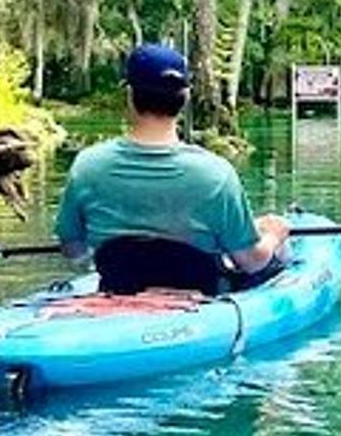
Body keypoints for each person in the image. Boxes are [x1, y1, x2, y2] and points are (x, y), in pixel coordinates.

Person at [55, 42, 291, 294]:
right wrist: (274, 235)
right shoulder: (217, 174)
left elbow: (73, 251)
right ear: (186, 97)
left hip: (118, 294)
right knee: (279, 258)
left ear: (129, 94)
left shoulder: (87, 166)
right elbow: (251, 261)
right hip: (199, 304)